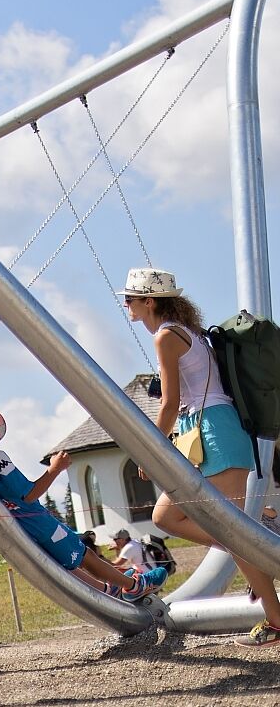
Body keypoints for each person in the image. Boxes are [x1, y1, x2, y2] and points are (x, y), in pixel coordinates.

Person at [121, 267, 280, 645]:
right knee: (170, 517)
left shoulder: (166, 337)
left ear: (149, 301)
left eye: (131, 298)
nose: (126, 304)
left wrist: (150, 449)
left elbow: (171, 402)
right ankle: (260, 547)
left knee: (226, 529)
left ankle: (268, 580)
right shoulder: (187, 332)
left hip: (214, 431)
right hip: (211, 432)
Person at [0, 410, 169, 601]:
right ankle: (133, 585)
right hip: (37, 521)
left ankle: (111, 589)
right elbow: (29, 495)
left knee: (68, 564)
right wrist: (55, 468)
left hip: (12, 529)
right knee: (83, 555)